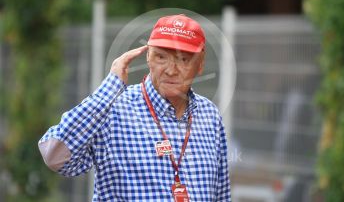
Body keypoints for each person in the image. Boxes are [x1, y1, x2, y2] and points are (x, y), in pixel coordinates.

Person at [38, 14, 231, 201]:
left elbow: (222, 196)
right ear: (148, 57)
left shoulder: (210, 115)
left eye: (184, 60)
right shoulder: (112, 109)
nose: (171, 70)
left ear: (200, 64)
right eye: (161, 57)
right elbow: (54, 157)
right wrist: (110, 88)